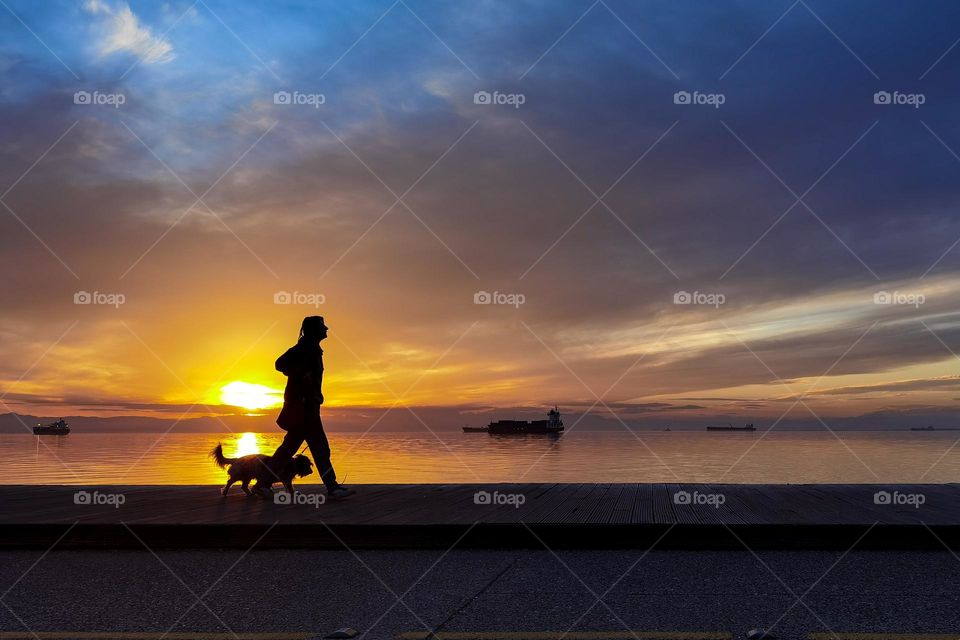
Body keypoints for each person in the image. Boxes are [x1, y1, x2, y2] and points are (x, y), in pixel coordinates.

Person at [259, 316, 355, 499]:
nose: (326, 328)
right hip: (303, 409)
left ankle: (263, 484)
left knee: (289, 449)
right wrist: (301, 374)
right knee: (320, 449)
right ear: (313, 330)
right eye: (322, 326)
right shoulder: (303, 348)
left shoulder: (312, 349)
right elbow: (279, 364)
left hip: (309, 407)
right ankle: (332, 488)